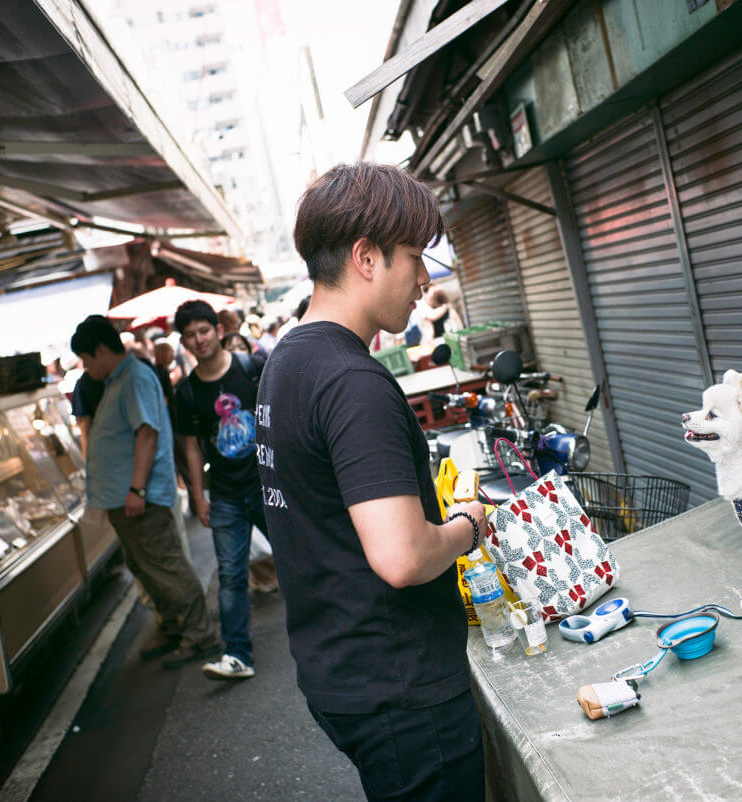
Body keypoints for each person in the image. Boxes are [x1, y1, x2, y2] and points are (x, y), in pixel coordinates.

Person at [256, 162, 487, 801]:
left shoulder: (287, 361)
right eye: (414, 256)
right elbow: (403, 557)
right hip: (401, 690)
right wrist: (468, 526)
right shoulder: (353, 381)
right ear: (365, 256)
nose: (426, 278)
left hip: (338, 668)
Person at [70, 315, 221, 668]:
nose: (85, 365)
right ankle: (174, 629)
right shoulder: (116, 380)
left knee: (166, 567)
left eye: (87, 357)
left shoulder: (134, 378)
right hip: (126, 499)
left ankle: (201, 636)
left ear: (103, 349)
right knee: (148, 568)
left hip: (141, 498)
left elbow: (147, 433)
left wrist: (137, 488)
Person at [174, 300, 274, 681]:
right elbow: (192, 447)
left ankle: (333, 626)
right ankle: (237, 654)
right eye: (190, 336)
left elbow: (276, 415)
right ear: (184, 342)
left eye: (203, 330)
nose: (199, 340)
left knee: (299, 554)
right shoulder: (186, 393)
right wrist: (200, 496)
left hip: (268, 484)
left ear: (217, 330)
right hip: (227, 495)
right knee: (231, 575)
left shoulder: (250, 369)